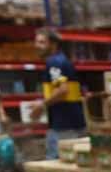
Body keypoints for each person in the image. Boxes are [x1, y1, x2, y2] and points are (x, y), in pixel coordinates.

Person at [31, 27, 86, 159]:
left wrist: (41, 105)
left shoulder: (54, 62)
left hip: (63, 127)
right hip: (73, 123)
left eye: (42, 42)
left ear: (53, 44)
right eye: (36, 42)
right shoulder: (62, 60)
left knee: (57, 166)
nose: (37, 46)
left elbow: (62, 90)